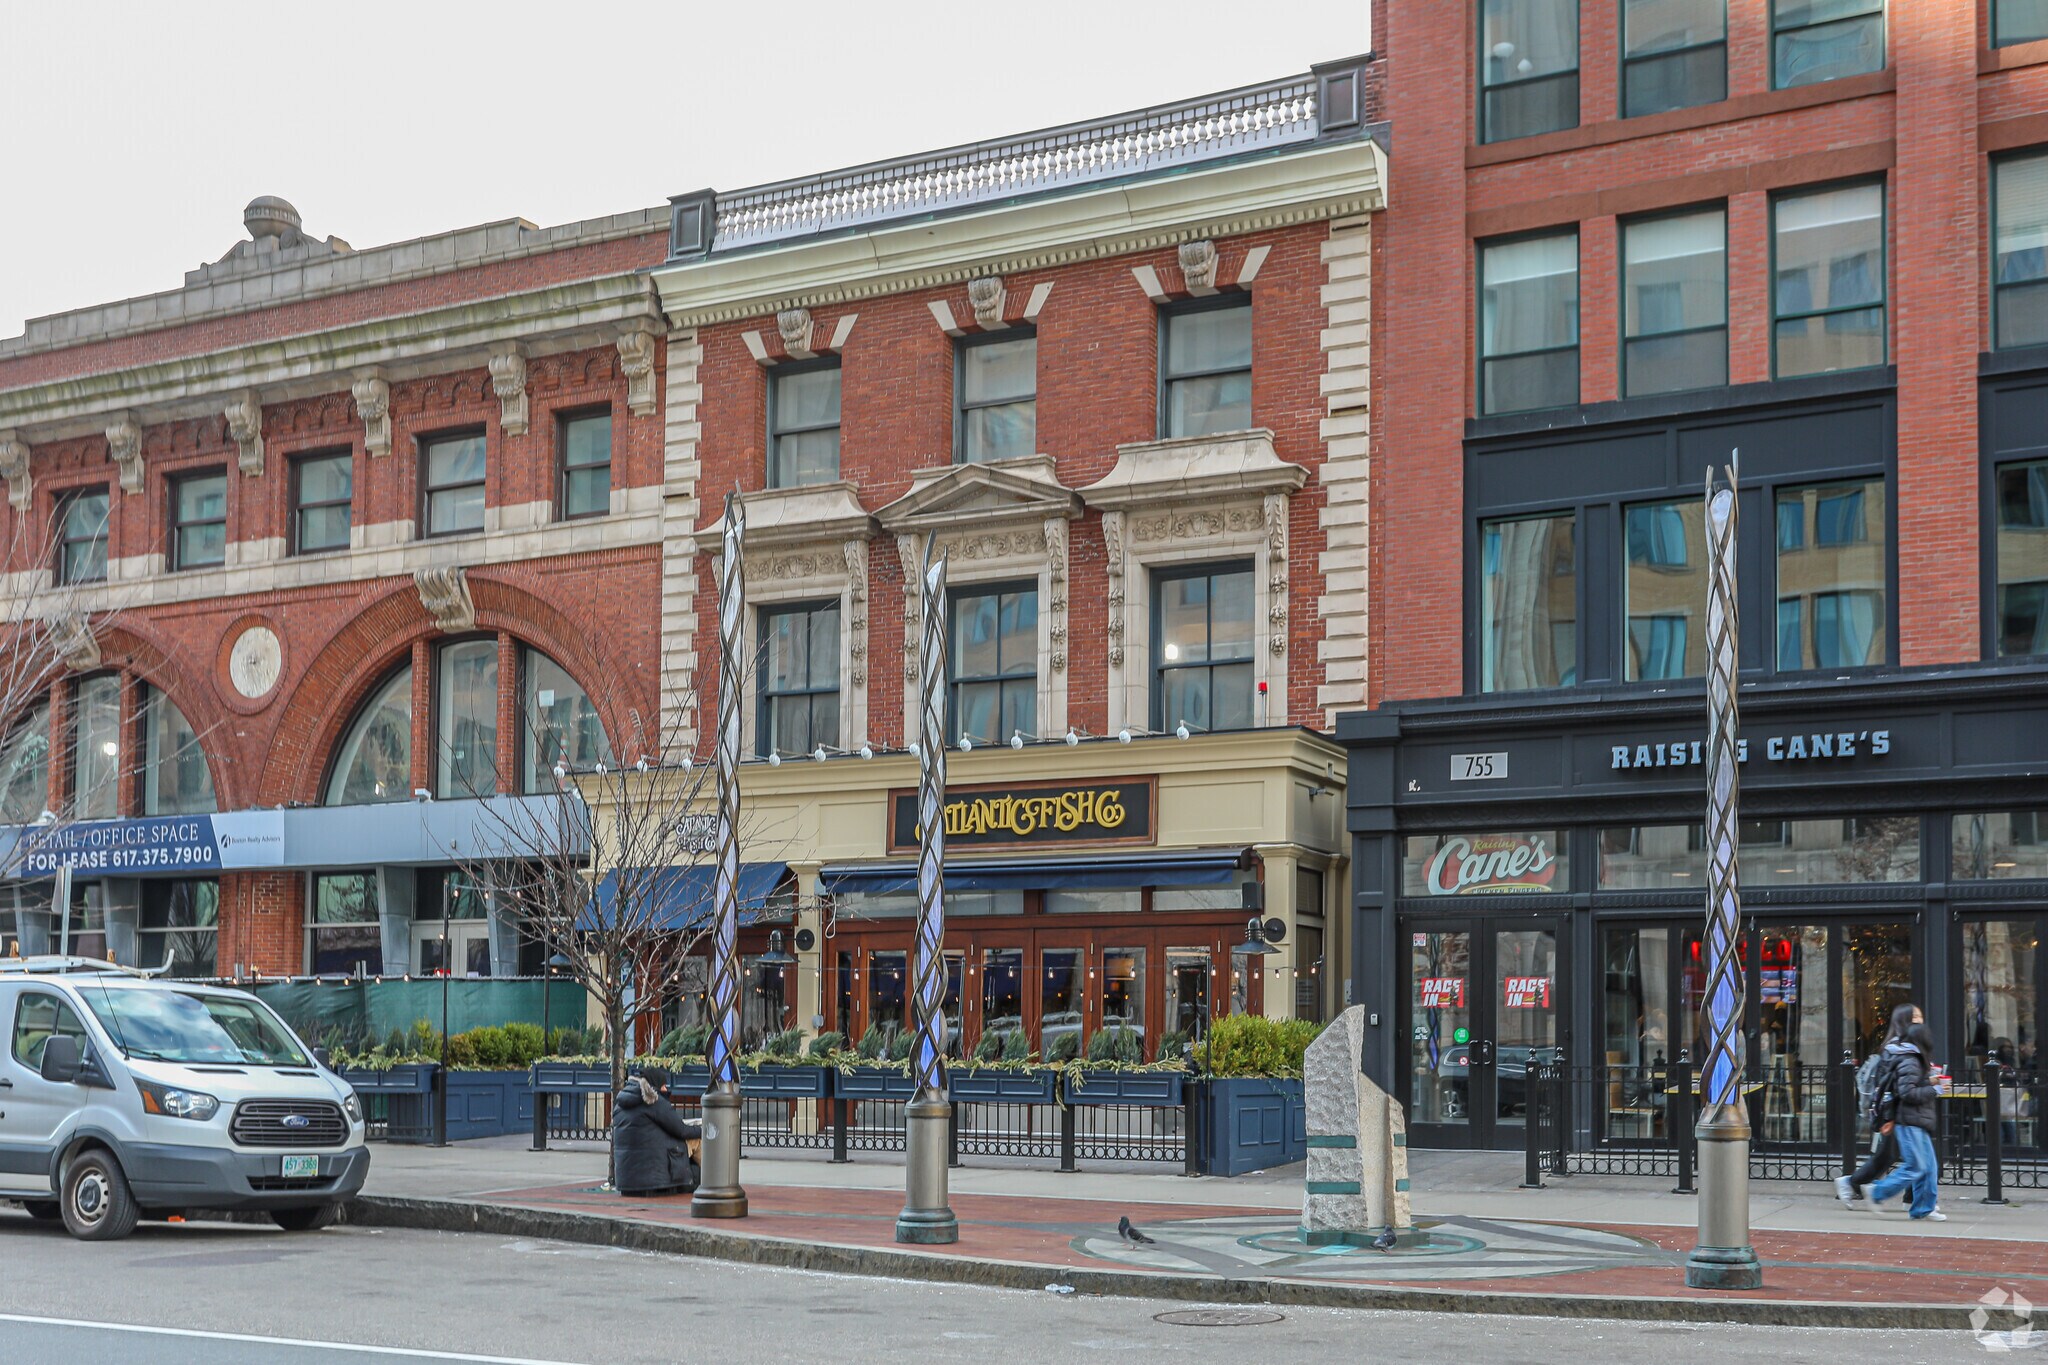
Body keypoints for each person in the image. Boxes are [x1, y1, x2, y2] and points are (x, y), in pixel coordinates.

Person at [1862, 1017, 1949, 1221]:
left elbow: (1910, 1084)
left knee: (1929, 1167)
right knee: (1917, 1166)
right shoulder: (1911, 1060)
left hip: (1917, 1120)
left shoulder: (1913, 1058)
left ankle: (1923, 1209)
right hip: (1909, 1121)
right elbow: (1906, 1093)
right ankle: (1876, 1192)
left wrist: (1929, 1081)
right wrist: (1935, 1089)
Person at [1838, 1003, 1919, 1205]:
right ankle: (1869, 1189)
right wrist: (1889, 1116)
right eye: (1915, 1016)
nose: (1920, 1020)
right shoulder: (1898, 1047)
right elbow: (1890, 1084)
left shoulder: (1911, 1044)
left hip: (1907, 1109)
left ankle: (1853, 1183)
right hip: (1900, 1110)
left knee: (1890, 1155)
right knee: (1912, 1158)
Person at [611, 1066, 701, 1197]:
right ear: (655, 1085)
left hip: (627, 1181)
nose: (665, 1089)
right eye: (663, 1085)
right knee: (698, 1139)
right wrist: (703, 1130)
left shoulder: (620, 1103)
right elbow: (682, 1131)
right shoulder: (653, 1100)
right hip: (655, 1181)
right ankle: (713, 1180)